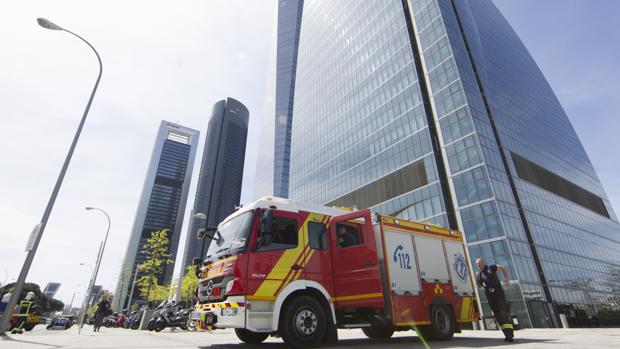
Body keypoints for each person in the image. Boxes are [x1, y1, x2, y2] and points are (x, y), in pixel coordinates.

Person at [476, 258, 514, 342]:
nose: (478, 265)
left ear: (483, 262)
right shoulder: (480, 274)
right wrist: (478, 279)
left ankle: (509, 335)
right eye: (477, 264)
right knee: (497, 315)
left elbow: (502, 268)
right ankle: (507, 335)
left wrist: (506, 278)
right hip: (490, 296)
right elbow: (479, 286)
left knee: (503, 313)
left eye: (479, 263)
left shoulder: (491, 267)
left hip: (498, 293)